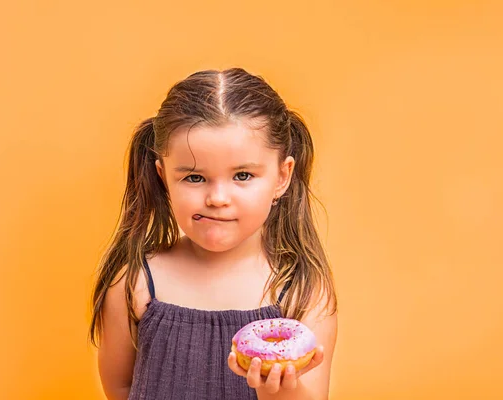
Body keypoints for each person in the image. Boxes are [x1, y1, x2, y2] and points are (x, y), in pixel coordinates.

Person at [88, 67, 338, 400]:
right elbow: (120, 387)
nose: (217, 198)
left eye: (243, 175)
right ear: (163, 177)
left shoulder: (301, 290)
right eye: (194, 178)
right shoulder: (134, 282)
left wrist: (280, 391)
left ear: (282, 176)